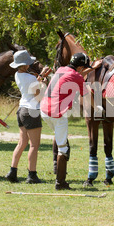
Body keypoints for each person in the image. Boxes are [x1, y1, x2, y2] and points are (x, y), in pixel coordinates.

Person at [40, 52, 100, 190]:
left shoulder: (61, 69)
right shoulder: (78, 76)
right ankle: (60, 183)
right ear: (80, 67)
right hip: (57, 113)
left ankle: (61, 157)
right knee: (63, 148)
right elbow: (86, 96)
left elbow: (75, 75)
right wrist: (96, 107)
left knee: (62, 141)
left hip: (44, 110)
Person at [6, 50, 50, 184]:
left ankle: (12, 172)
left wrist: (39, 79)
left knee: (22, 143)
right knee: (34, 145)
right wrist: (43, 82)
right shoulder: (31, 78)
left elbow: (31, 88)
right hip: (32, 111)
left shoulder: (17, 75)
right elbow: (39, 96)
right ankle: (32, 175)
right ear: (25, 65)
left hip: (21, 110)